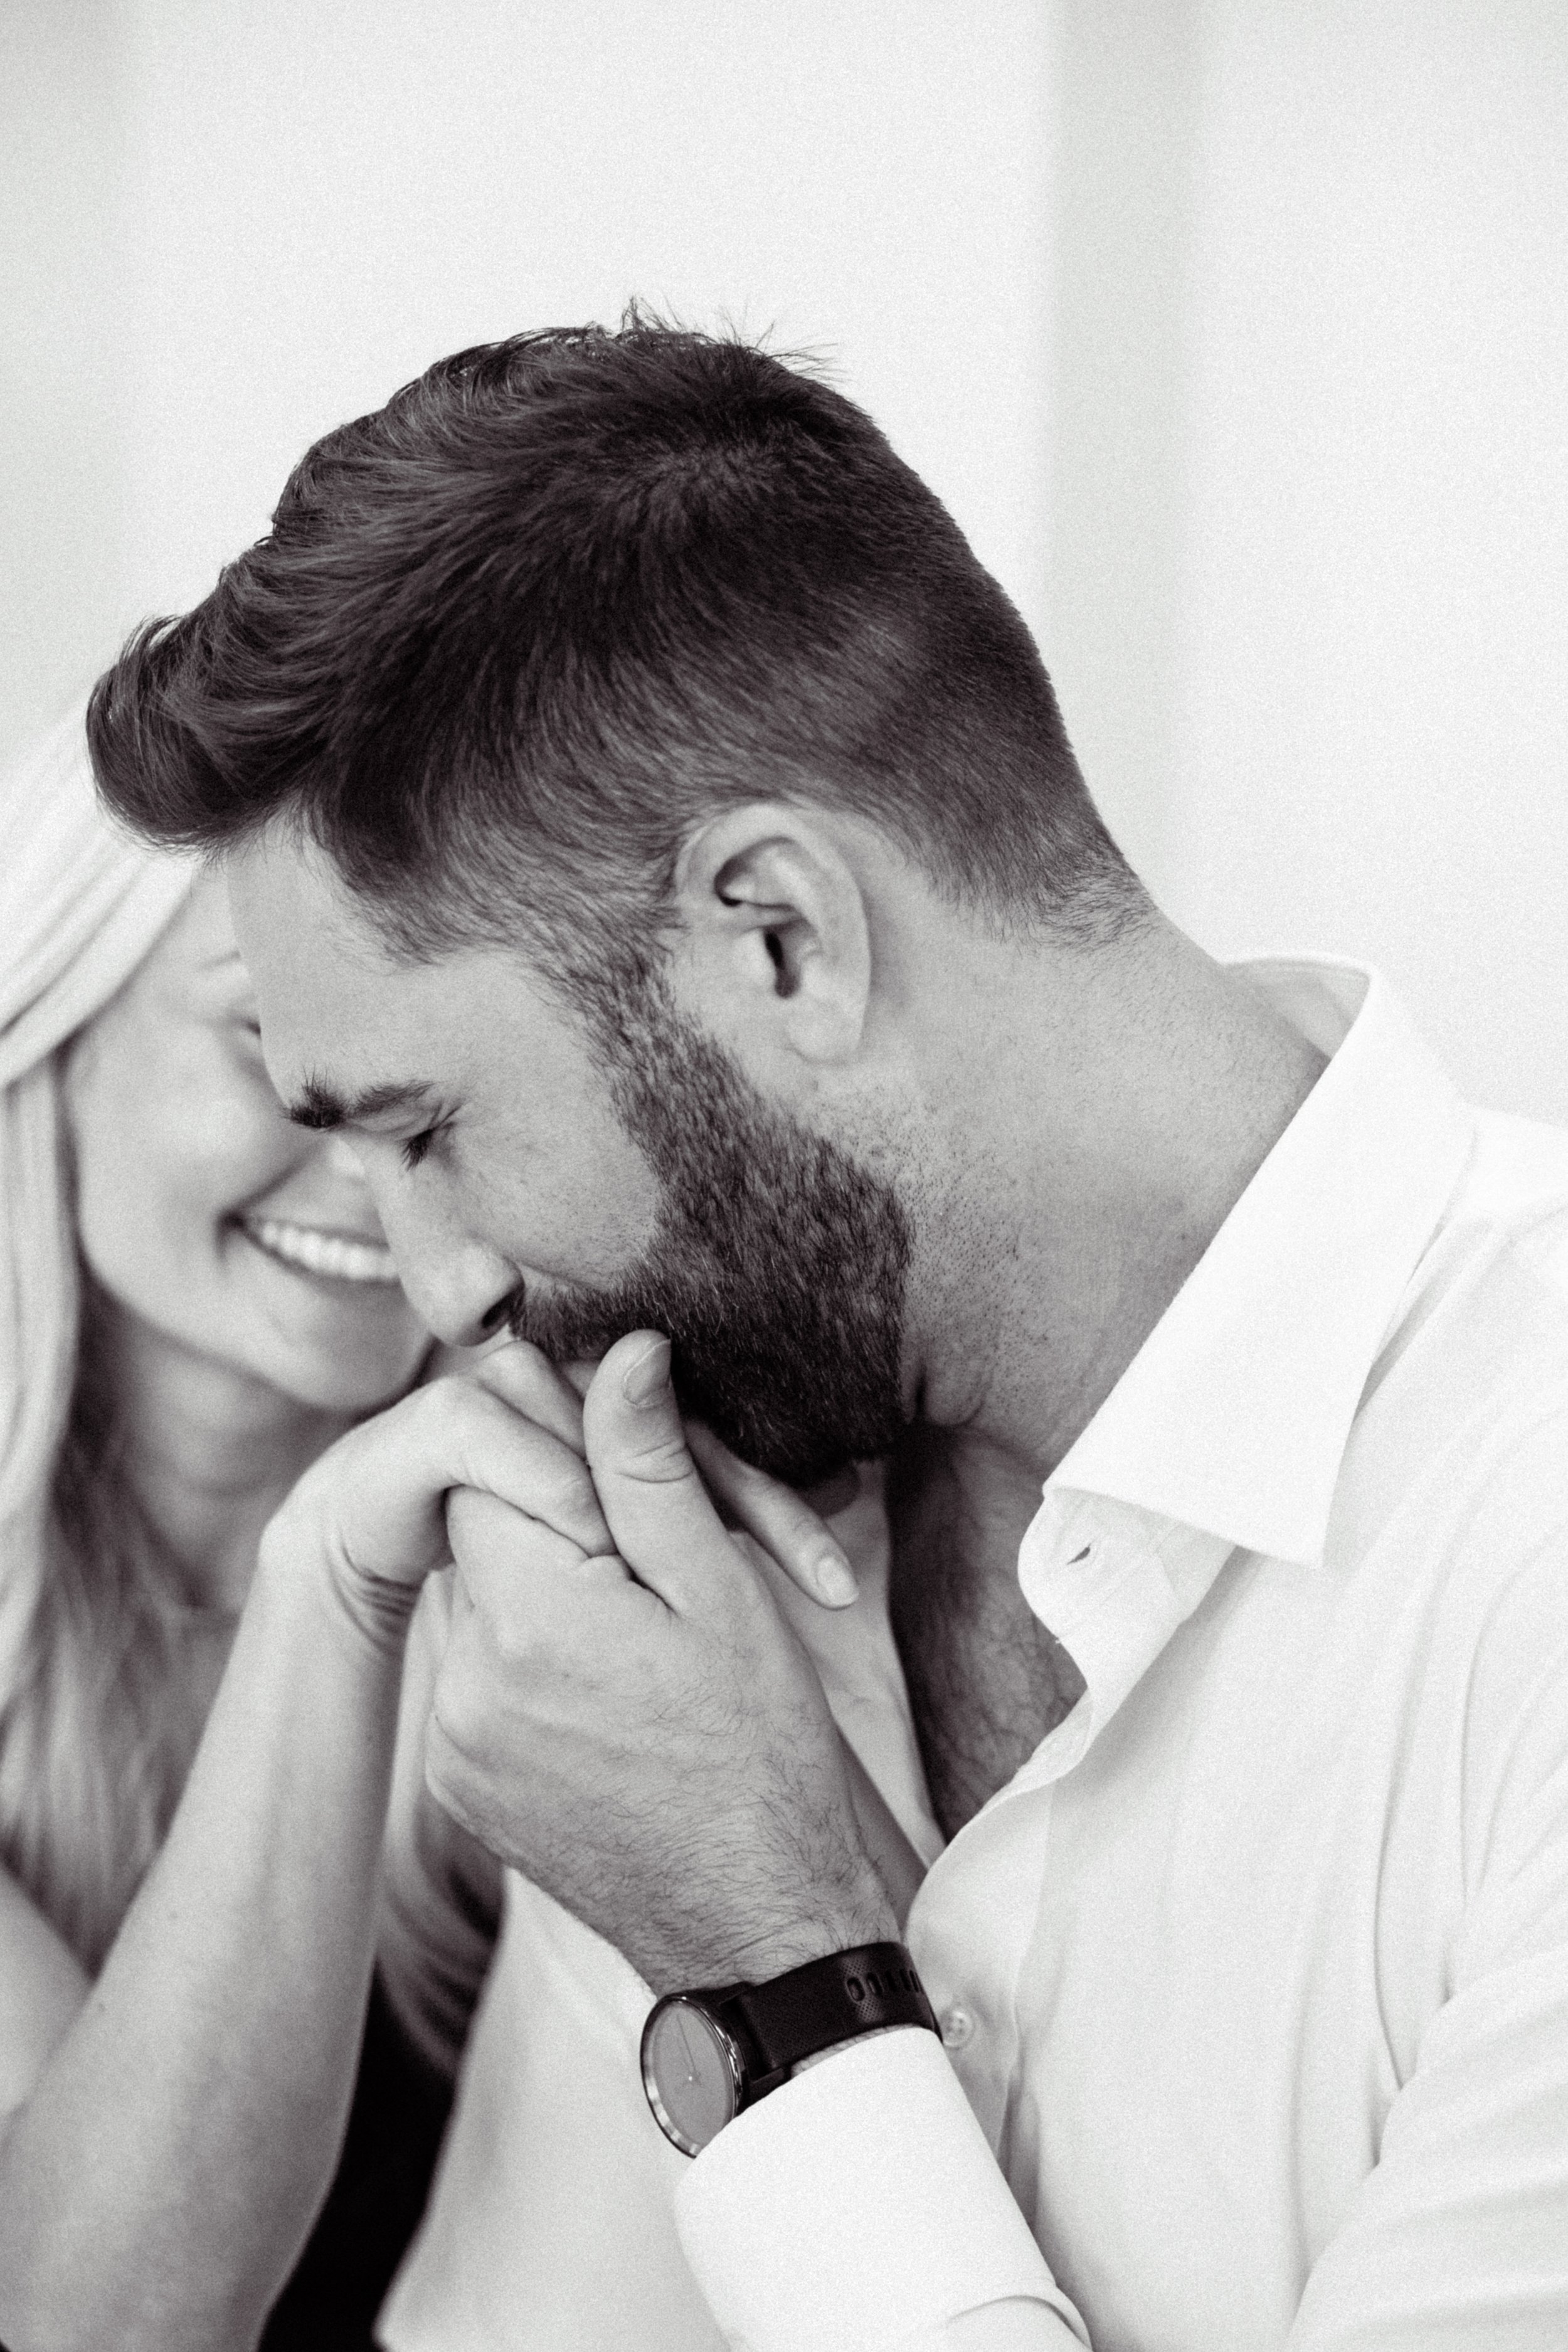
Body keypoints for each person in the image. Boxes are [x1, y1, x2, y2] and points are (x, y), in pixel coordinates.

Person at [89, 320, 1568, 2351]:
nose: (433, 1296)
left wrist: (776, 1974)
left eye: (431, 1132)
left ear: (779, 937)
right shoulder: (701, 1521)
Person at [0, 709, 857, 2350]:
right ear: (46, 1032)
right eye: (266, 1044)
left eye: (435, 1081)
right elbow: (95, 2322)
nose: (371, 1161)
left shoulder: (574, 1570)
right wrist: (326, 1574)